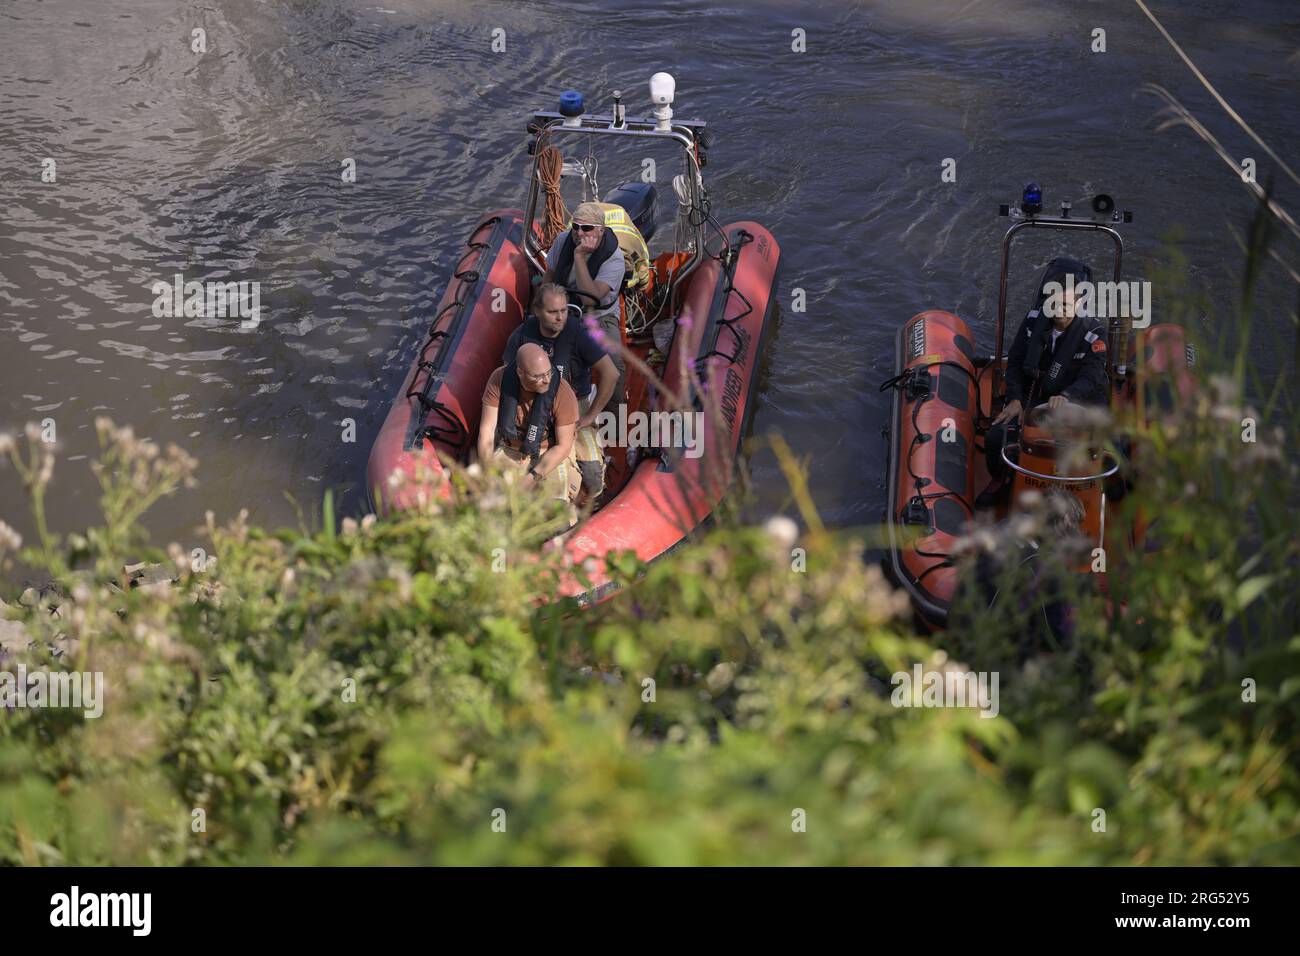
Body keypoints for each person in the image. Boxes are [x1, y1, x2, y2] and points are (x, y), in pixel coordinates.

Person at [978, 261, 1109, 508]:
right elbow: (1015, 363)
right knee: (996, 437)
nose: (1059, 309)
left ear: (1080, 304)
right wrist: (1015, 399)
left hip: (1082, 401)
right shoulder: (1033, 322)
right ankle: (1000, 479)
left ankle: (1111, 491)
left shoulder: (1094, 334)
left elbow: (1091, 377)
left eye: (1066, 304)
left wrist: (1067, 396)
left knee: (1115, 446)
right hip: (1038, 397)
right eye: (1054, 303)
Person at [503, 282, 618, 499]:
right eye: (553, 312)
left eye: (564, 311)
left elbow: (611, 374)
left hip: (574, 405)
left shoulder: (579, 334)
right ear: (537, 311)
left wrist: (590, 415)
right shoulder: (520, 338)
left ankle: (589, 499)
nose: (560, 317)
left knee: (593, 477)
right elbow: (506, 377)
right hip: (532, 403)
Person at [477, 342, 581, 521]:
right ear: (520, 373)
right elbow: (486, 431)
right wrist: (487, 473)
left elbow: (564, 446)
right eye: (538, 376)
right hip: (511, 449)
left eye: (549, 373)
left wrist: (531, 478)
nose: (547, 380)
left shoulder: (562, 391)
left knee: (557, 514)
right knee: (489, 507)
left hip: (549, 451)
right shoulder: (499, 379)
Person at [542, 201, 627, 415]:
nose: (579, 233)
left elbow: (591, 298)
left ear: (600, 230)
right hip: (563, 308)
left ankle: (614, 419)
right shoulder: (563, 241)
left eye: (586, 228)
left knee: (614, 362)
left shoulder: (614, 260)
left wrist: (579, 257)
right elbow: (549, 277)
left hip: (597, 315)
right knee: (535, 347)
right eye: (576, 226)